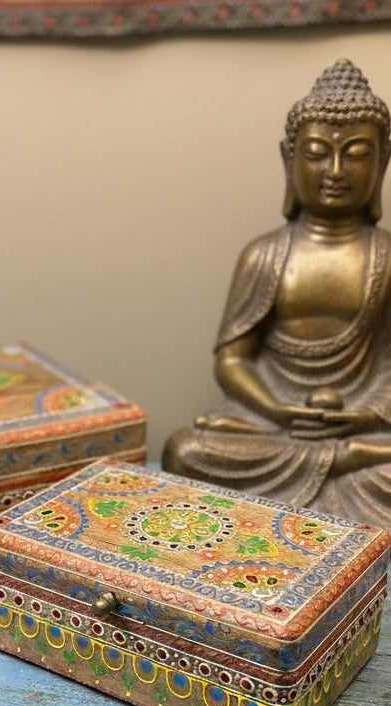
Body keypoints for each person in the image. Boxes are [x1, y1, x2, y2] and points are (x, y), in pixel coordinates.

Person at [162, 59, 391, 529]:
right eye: (316, 152)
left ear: (383, 160)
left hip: (366, 433)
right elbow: (232, 360)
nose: (335, 170)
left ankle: (348, 460)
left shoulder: (388, 256)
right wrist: (278, 409)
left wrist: (367, 416)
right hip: (275, 428)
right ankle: (339, 466)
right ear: (289, 159)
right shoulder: (264, 255)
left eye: (355, 153)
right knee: (184, 451)